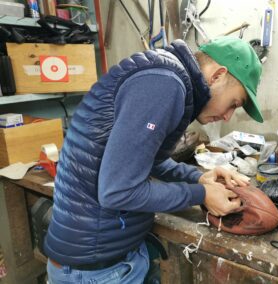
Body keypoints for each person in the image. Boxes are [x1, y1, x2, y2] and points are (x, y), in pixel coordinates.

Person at [44, 36, 264, 283]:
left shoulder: (166, 77)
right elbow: (118, 191)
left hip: (105, 256)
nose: (227, 116)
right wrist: (201, 194)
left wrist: (199, 176)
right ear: (217, 76)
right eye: (234, 103)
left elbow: (147, 161)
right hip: (98, 270)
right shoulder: (165, 85)